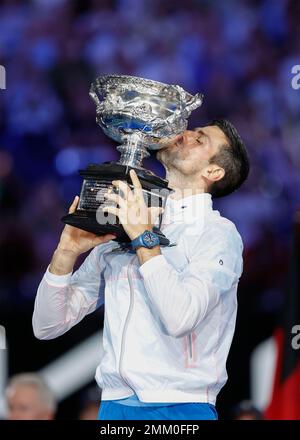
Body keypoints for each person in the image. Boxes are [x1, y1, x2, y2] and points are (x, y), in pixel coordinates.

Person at [33, 119, 249, 420]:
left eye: (199, 140)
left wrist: (143, 239)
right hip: (112, 405)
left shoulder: (218, 234)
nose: (184, 134)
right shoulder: (127, 222)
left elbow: (181, 316)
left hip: (179, 408)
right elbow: (46, 326)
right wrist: (64, 255)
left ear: (213, 172)